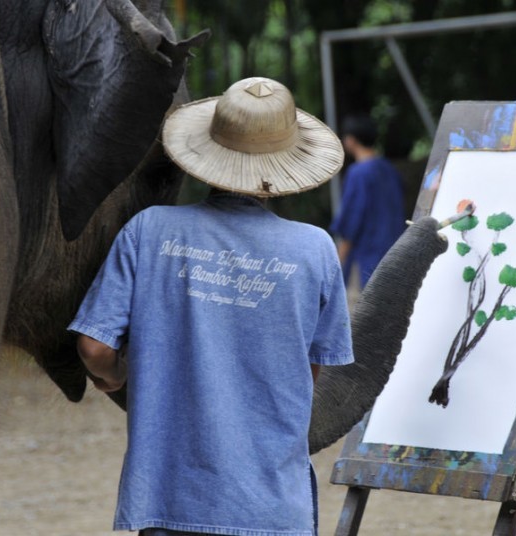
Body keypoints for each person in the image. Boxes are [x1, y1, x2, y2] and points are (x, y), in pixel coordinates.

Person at [67, 77, 354, 536]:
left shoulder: (149, 231)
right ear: (284, 168)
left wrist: (118, 376)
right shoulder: (315, 249)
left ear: (205, 155)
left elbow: (94, 348)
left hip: (169, 501)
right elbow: (309, 372)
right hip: (274, 508)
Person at [330, 114, 406, 288]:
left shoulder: (358, 173)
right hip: (395, 251)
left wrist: (340, 257)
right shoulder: (389, 169)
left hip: (367, 255)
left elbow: (351, 220)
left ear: (351, 140)